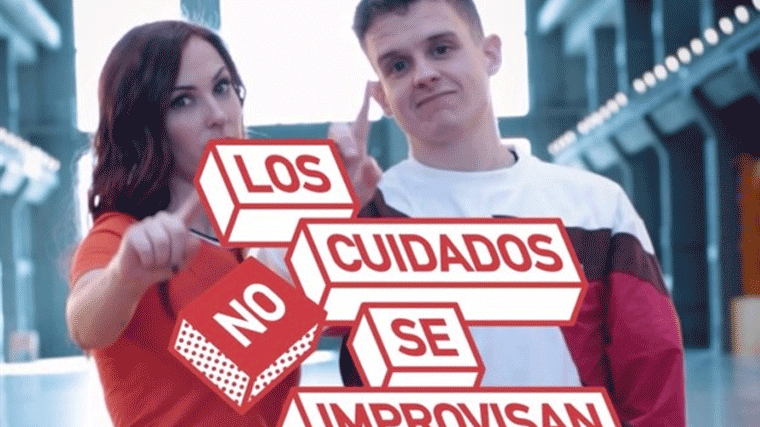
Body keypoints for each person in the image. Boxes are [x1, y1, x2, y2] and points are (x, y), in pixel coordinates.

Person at [330, 0, 687, 425]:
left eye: (441, 49)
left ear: (491, 54)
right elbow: (267, 354)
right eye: (398, 66)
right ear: (382, 97)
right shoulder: (365, 217)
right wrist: (321, 218)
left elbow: (652, 378)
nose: (423, 74)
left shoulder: (595, 208)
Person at [66, 21, 295, 426]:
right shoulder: (124, 236)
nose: (218, 115)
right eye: (183, 101)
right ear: (144, 125)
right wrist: (124, 278)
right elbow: (85, 324)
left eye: (222, 87)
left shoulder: (255, 237)